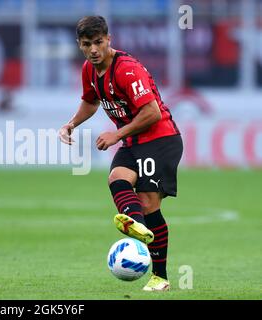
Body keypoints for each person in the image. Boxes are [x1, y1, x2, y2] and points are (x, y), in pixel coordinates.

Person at [59, 16, 183, 291]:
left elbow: (151, 113)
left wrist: (117, 134)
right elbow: (90, 102)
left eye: (99, 42)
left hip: (160, 138)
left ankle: (159, 277)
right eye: (87, 44)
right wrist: (71, 124)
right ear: (79, 45)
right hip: (134, 139)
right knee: (117, 178)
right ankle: (136, 226)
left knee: (149, 204)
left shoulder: (127, 69)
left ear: (109, 40)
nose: (93, 50)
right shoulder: (89, 70)